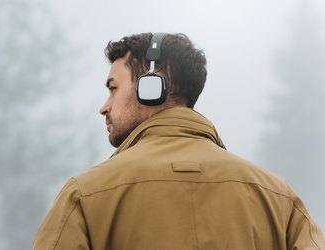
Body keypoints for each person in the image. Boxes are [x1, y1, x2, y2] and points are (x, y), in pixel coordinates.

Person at [33, 32, 325, 249]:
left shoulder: (83, 195)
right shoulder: (279, 198)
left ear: (151, 88)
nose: (104, 106)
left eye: (113, 89)